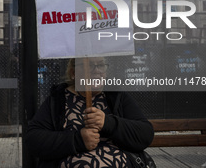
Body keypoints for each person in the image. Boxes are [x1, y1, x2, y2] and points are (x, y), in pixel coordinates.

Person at [25, 57, 154, 168]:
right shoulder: (58, 100)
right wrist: (77, 140)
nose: (97, 70)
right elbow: (34, 140)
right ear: (73, 73)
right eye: (90, 65)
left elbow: (145, 134)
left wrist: (109, 123)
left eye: (101, 65)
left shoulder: (117, 97)